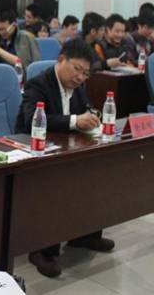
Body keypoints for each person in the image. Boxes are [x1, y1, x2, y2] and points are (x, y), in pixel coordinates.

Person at [15, 39, 114, 277]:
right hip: (33, 151)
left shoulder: (78, 86)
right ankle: (42, 250)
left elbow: (86, 109)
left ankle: (85, 235)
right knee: (57, 181)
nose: (80, 77)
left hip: (64, 149)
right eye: (77, 69)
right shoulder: (38, 83)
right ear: (61, 60)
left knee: (99, 170)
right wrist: (75, 121)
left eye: (86, 73)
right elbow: (31, 120)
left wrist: (92, 117)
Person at [0, 9, 41, 74]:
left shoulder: (25, 38)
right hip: (1, 76)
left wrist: (0, 51)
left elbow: (23, 64)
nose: (1, 32)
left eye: (3, 29)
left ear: (14, 25)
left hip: (20, 77)